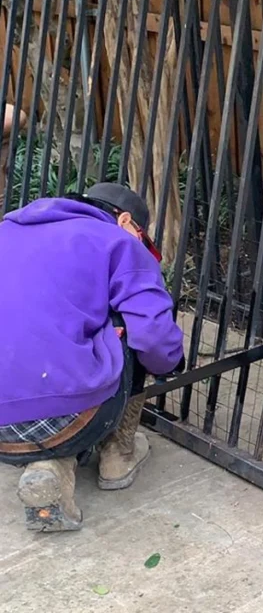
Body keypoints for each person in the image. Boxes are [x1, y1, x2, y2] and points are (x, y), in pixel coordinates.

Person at [0, 182, 184, 532]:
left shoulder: (5, 232)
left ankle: (51, 468)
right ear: (126, 220)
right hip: (72, 419)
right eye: (143, 237)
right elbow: (154, 337)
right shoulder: (118, 241)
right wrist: (170, 364)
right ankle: (118, 455)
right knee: (133, 325)